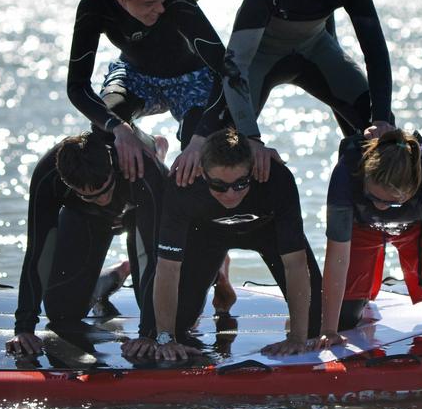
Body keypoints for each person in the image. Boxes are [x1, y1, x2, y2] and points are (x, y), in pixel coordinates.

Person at [122, 128, 321, 362]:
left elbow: (296, 264)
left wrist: (297, 337)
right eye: (219, 185)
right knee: (166, 330)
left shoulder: (276, 177)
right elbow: (168, 267)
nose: (230, 194)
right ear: (201, 173)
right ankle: (218, 273)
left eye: (240, 184)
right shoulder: (184, 183)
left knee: (318, 323)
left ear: (252, 169)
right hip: (207, 235)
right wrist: (164, 337)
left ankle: (220, 272)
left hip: (266, 231)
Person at [221, 0, 393, 178]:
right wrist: (251, 138)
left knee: (388, 138)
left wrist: (381, 119)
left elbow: (375, 51)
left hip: (316, 52)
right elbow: (236, 62)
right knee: (228, 146)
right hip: (261, 58)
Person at [312, 129, 422, 350]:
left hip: (419, 226)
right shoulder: (346, 172)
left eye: (391, 203)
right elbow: (337, 258)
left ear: (412, 189)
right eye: (372, 196)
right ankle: (361, 296)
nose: (380, 206)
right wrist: (328, 330)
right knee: (343, 319)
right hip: (363, 227)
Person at [67, 0, 231, 184]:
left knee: (202, 149)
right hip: (136, 76)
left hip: (190, 79)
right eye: (149, 4)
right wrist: (120, 129)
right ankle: (150, 147)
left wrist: (199, 139)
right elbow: (77, 87)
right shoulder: (95, 5)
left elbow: (224, 70)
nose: (161, 9)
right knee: (106, 130)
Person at [8, 133, 164, 358]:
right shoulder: (48, 176)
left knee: (174, 318)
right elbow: (38, 251)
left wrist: (149, 334)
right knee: (62, 313)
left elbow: (153, 255)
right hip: (88, 216)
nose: (103, 199)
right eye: (91, 196)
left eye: (105, 190)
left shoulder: (141, 167)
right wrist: (23, 328)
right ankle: (110, 277)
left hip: (137, 206)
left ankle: (156, 148)